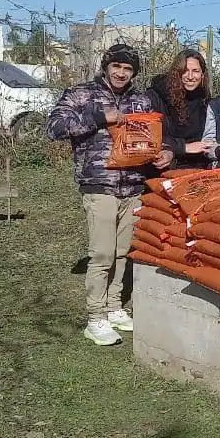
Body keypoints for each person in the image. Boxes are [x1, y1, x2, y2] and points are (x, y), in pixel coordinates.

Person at [47, 44, 174, 346]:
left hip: (133, 185)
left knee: (123, 251)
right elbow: (54, 127)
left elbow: (154, 135)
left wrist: (162, 152)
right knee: (102, 253)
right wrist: (99, 117)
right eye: (116, 67)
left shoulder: (141, 100)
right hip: (98, 184)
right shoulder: (81, 94)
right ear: (105, 67)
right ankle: (95, 317)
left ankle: (114, 306)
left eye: (127, 69)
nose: (120, 73)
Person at [147, 49, 215, 169]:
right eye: (184, 71)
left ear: (202, 75)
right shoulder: (157, 96)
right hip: (165, 166)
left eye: (195, 71)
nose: (190, 76)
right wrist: (184, 147)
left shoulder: (205, 100)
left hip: (197, 168)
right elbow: (147, 136)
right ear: (176, 73)